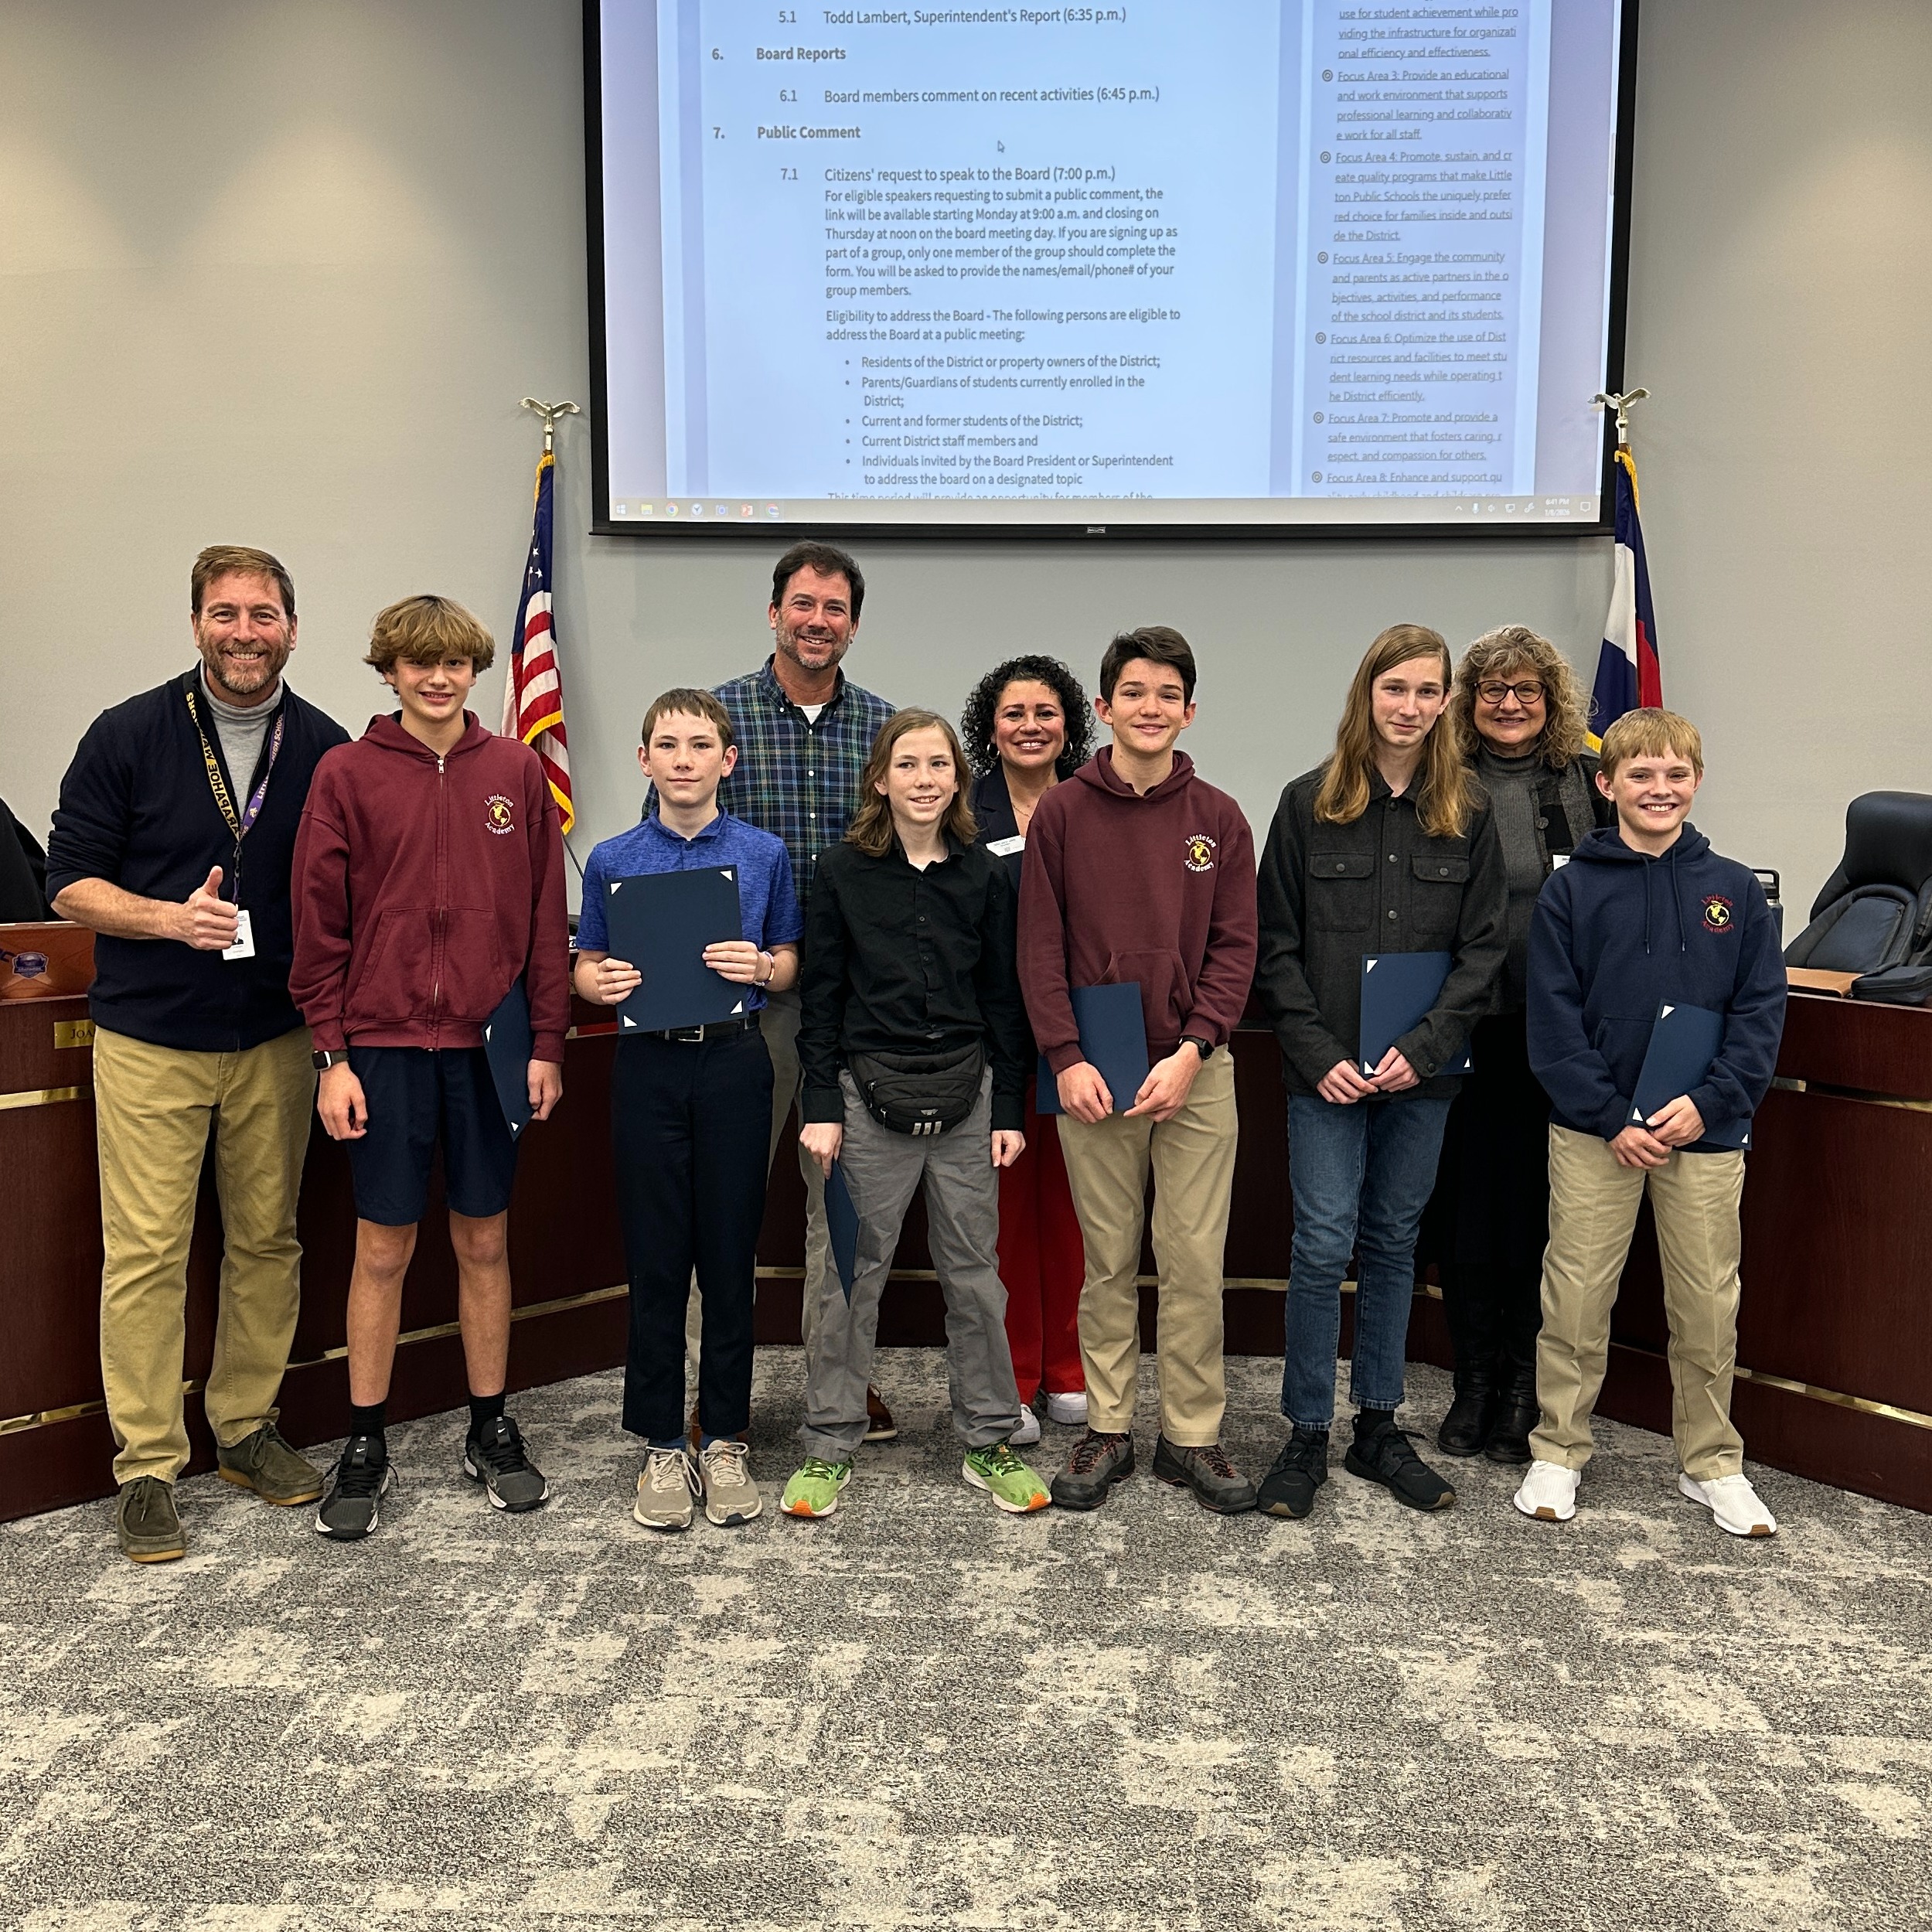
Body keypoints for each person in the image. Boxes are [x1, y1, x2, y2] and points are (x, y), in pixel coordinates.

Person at [46, 544, 349, 1563]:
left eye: (264, 614)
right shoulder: (128, 732)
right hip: (150, 1035)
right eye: (225, 613)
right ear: (195, 626)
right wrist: (167, 920)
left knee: (267, 1241)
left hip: (274, 1035)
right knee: (146, 1251)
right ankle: (144, 1466)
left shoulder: (323, 746)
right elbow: (68, 883)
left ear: (292, 630)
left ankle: (246, 1428)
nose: (245, 631)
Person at [290, 595, 568, 1541]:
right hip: (383, 1050)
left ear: (476, 671)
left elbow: (542, 925)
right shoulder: (346, 773)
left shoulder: (517, 772)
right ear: (389, 673)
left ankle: (489, 1421)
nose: (439, 678)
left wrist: (547, 1043)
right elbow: (318, 930)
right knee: (383, 1248)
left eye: (455, 663)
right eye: (419, 664)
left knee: (485, 1241)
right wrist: (332, 1055)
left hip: (490, 1052)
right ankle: (365, 1437)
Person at [1253, 623, 1506, 1521]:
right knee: (1322, 1246)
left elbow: (1483, 953)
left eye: (1426, 691)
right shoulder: (1304, 803)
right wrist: (1319, 1058)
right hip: (1324, 1078)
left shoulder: (1468, 811)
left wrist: (1424, 1048)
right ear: (1367, 694)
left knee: (1395, 1245)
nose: (1409, 706)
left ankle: (1379, 1426)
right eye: (1393, 688)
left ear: (1445, 702)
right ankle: (1306, 1430)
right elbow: (1273, 947)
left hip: (1421, 1079)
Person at [1515, 708, 1786, 1536]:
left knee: (1707, 1305)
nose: (1658, 789)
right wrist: (1608, 1116)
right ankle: (1557, 1453)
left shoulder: (1736, 891)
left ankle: (1713, 1465)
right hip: (1596, 1133)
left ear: (1696, 782)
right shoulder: (1570, 890)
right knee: (1576, 1299)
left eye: (1675, 775)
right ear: (1608, 785)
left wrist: (1709, 1102)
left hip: (1704, 1135)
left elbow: (1760, 1016)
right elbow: (1552, 1022)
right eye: (1640, 775)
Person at [782, 710, 1049, 1520]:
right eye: (909, 765)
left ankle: (990, 1437)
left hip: (969, 1097)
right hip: (864, 1101)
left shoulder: (986, 876)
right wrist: (822, 1105)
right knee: (846, 1277)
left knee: (975, 1277)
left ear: (958, 781)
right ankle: (830, 1442)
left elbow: (1005, 999)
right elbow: (819, 998)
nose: (926, 779)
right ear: (881, 779)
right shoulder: (839, 872)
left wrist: (1009, 1107)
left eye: (940, 765)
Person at [1019, 627, 1260, 1515]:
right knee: (1107, 1259)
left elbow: (1238, 948)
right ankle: (1109, 1427)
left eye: (1168, 695)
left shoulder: (1221, 818)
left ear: (1188, 711)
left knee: (1194, 1260)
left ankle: (1192, 1437)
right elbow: (1039, 948)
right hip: (1095, 1070)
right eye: (1134, 693)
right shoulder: (1062, 814)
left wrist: (1197, 1048)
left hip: (1198, 1068)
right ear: (1105, 706)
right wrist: (1067, 1058)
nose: (1150, 708)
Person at [574, 689, 802, 1532]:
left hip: (736, 1063)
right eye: (665, 744)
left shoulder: (764, 854)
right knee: (658, 1255)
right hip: (647, 1069)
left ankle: (727, 1436)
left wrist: (764, 968)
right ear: (644, 761)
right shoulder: (610, 858)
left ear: (726, 760)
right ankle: (663, 1441)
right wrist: (592, 984)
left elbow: (788, 962)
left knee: (729, 1253)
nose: (682, 758)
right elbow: (585, 965)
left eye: (699, 744)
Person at [708, 542, 898, 1437]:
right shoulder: (721, 717)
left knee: (845, 1215)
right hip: (745, 1009)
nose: (817, 619)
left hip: (858, 1012)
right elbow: (670, 853)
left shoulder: (888, 733)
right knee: (730, 1205)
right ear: (774, 611)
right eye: (802, 603)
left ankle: (840, 1380)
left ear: (853, 624)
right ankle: (720, 1395)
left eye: (834, 607)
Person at [1420, 626, 1616, 1463]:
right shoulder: (1442, 781)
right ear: (1467, 701)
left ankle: (1521, 1391)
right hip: (1466, 1029)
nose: (1509, 704)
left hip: (1561, 1035)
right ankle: (1472, 1383)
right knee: (1468, 1216)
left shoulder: (1585, 783)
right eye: (1492, 690)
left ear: (1552, 700)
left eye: (1526, 690)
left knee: (1542, 1218)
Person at [960, 655, 1094, 1446]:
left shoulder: (1092, 806)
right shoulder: (963, 812)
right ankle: (1011, 1376)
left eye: (1046, 712)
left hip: (1080, 1036)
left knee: (1076, 1206)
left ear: (1070, 726)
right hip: (992, 1037)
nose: (1031, 725)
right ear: (991, 726)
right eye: (1015, 712)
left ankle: (1070, 1371)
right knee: (1002, 1212)